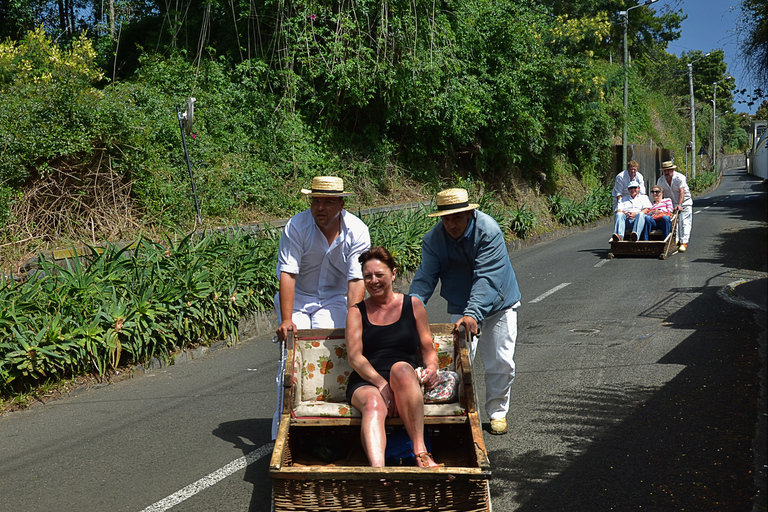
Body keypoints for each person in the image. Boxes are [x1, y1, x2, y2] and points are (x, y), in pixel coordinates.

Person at [409, 188, 521, 435]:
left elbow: (487, 278)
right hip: (461, 308)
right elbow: (425, 278)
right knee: (457, 364)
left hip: (499, 305)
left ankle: (498, 413)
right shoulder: (434, 240)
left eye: (456, 217)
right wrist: (407, 308)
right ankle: (459, 415)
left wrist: (473, 313)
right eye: (445, 218)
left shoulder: (489, 231)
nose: (451, 224)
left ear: (469, 213)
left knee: (500, 362)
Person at [346, 247, 440, 468]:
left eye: (380, 275)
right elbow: (355, 357)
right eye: (368, 276)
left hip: (403, 378)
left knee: (401, 368)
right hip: (367, 379)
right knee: (373, 404)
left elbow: (427, 349)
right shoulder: (356, 312)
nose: (374, 281)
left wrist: (432, 367)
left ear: (393, 274)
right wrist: (380, 383)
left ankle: (420, 452)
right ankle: (378, 472)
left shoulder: (413, 305)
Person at [274, 176, 371, 341]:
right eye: (316, 201)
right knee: (294, 352)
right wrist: (287, 320)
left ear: (341, 205)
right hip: (297, 297)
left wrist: (353, 320)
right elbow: (288, 272)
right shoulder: (297, 226)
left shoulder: (357, 231)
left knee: (334, 349)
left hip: (334, 298)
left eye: (328, 202)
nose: (320, 207)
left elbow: (356, 279)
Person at [657, 161, 693, 252]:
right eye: (665, 171)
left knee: (684, 222)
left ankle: (684, 242)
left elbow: (682, 191)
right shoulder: (661, 180)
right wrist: (659, 205)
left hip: (685, 202)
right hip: (671, 203)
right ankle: (676, 240)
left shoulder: (680, 177)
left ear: (672, 170)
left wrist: (680, 205)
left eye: (668, 170)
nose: (666, 173)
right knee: (674, 223)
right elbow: (660, 193)